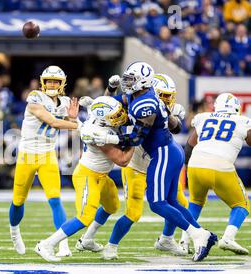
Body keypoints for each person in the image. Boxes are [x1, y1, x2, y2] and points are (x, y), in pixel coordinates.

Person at [93, 62, 217, 262]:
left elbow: (136, 139)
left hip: (163, 153)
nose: (127, 83)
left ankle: (198, 235)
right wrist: (101, 100)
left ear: (143, 81)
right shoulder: (140, 94)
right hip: (169, 151)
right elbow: (110, 104)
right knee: (172, 202)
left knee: (157, 204)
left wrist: (109, 139)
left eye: (131, 79)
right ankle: (202, 233)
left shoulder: (146, 104)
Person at [75, 73, 189, 259]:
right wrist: (111, 90)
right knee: (134, 213)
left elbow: (175, 128)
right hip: (136, 165)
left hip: (159, 164)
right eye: (164, 95)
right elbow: (108, 105)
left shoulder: (163, 108)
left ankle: (169, 239)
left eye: (169, 96)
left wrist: (172, 117)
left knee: (178, 203)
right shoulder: (136, 103)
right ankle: (110, 246)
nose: (167, 100)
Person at [34, 96, 134, 262]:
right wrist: (136, 141)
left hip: (102, 175)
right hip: (88, 175)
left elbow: (85, 123)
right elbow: (122, 160)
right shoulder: (98, 133)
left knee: (112, 206)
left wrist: (77, 117)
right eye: (114, 116)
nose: (119, 118)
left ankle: (87, 240)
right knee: (85, 217)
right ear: (102, 120)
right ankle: (46, 244)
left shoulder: (97, 120)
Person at [9, 66, 80, 258]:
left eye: (56, 81)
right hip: (27, 154)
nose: (52, 84)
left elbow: (66, 121)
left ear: (62, 83)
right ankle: (15, 232)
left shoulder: (65, 101)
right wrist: (77, 124)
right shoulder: (35, 98)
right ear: (43, 82)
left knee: (55, 200)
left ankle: (62, 243)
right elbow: (54, 122)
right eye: (49, 80)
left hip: (47, 154)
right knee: (18, 201)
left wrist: (73, 118)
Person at [183, 93, 250, 255]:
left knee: (195, 202)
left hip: (195, 164)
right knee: (242, 205)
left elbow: (189, 145)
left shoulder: (204, 117)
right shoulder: (243, 121)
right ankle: (228, 237)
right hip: (220, 165)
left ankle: (184, 240)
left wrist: (188, 167)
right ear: (236, 108)